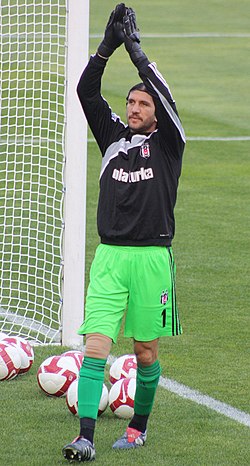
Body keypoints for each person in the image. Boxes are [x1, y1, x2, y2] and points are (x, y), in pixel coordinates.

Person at [62, 3, 186, 463]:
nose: (134, 109)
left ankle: (138, 428)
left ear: (156, 112)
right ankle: (86, 436)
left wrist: (137, 52)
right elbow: (86, 91)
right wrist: (107, 47)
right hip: (110, 258)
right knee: (96, 344)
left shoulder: (170, 144)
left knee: (146, 352)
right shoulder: (113, 139)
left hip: (152, 260)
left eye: (142, 104)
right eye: (131, 102)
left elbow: (166, 97)